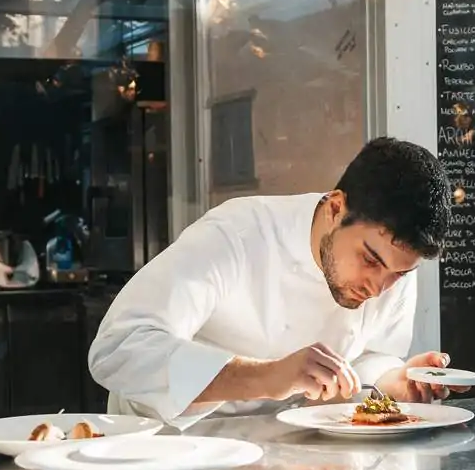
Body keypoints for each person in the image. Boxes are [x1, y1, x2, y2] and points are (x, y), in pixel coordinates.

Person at [90, 137, 454, 424]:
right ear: (335, 208)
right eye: (369, 260)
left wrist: (393, 381)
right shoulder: (238, 234)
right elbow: (119, 348)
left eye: (399, 274)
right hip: (168, 454)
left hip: (292, 460)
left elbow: (369, 359)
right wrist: (267, 377)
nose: (378, 288)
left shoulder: (390, 266)